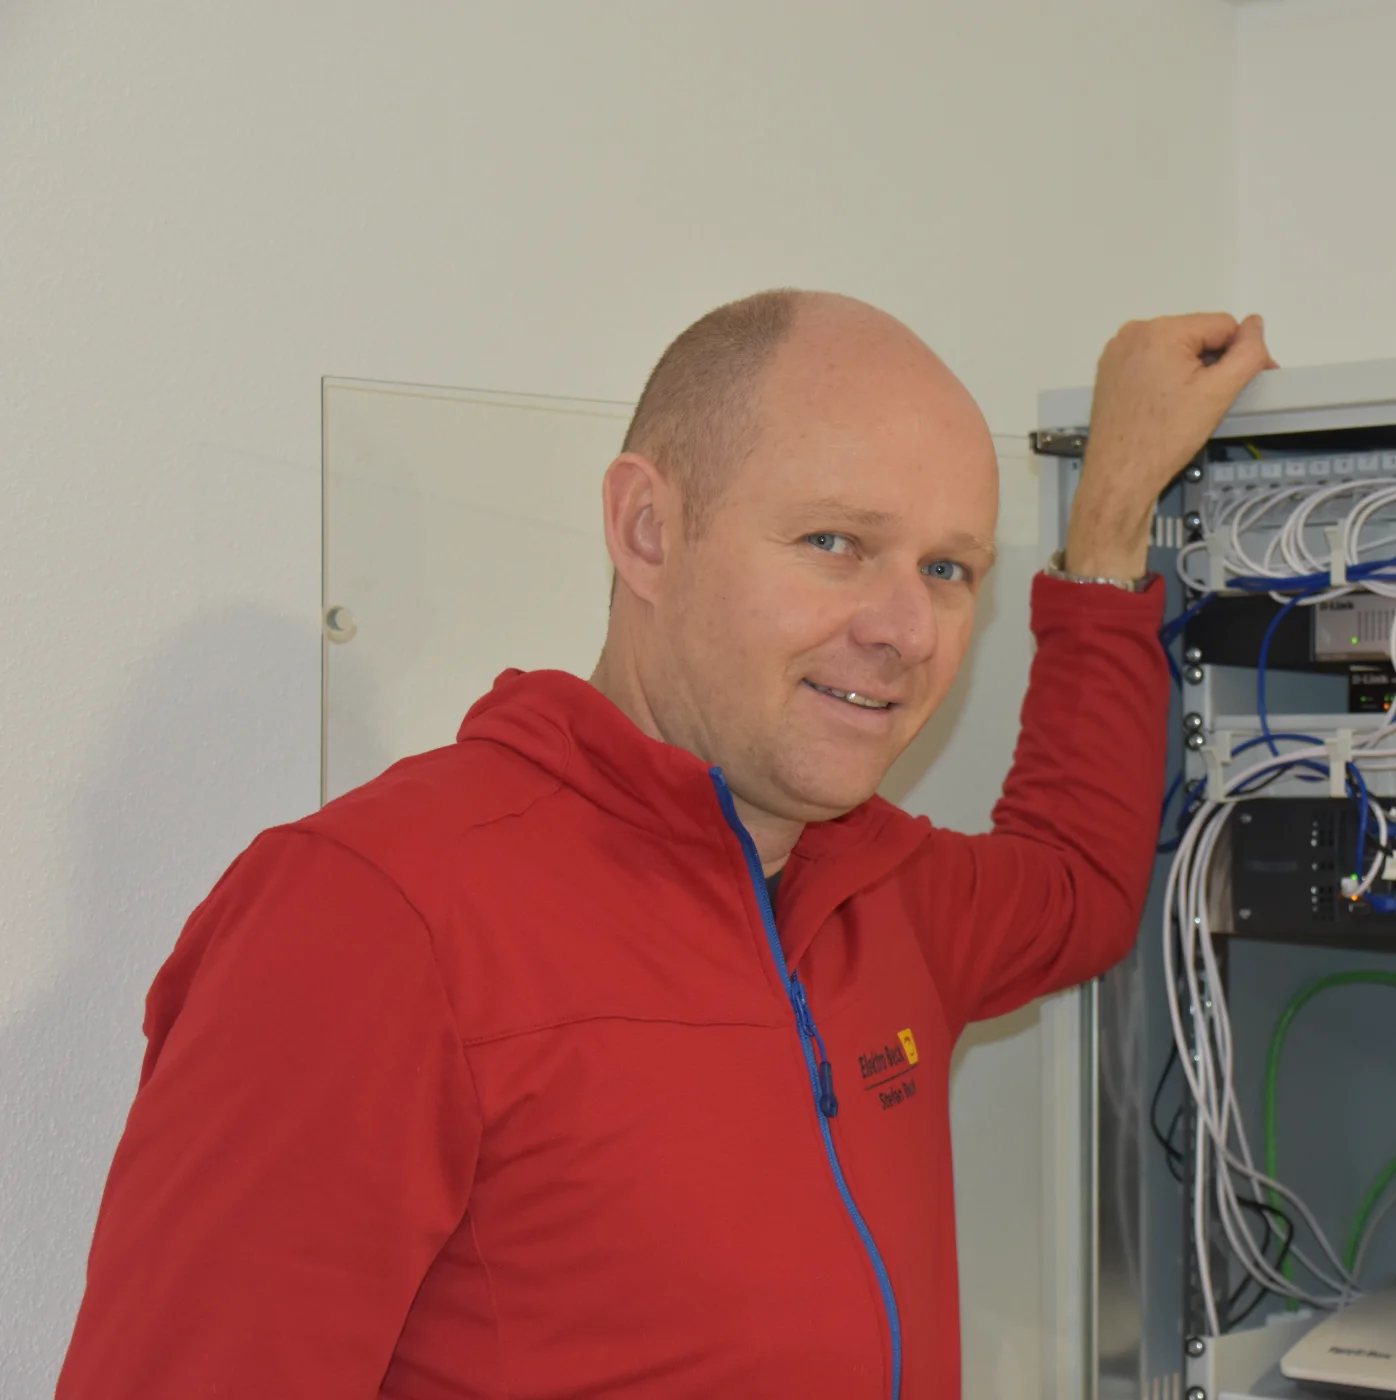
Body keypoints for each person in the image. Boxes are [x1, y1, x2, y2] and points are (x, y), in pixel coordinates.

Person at [57, 291, 1272, 1399]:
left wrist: (1112, 516)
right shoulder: (374, 916)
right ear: (646, 530)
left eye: (948, 568)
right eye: (835, 542)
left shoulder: (880, 890)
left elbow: (1077, 885)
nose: (907, 629)